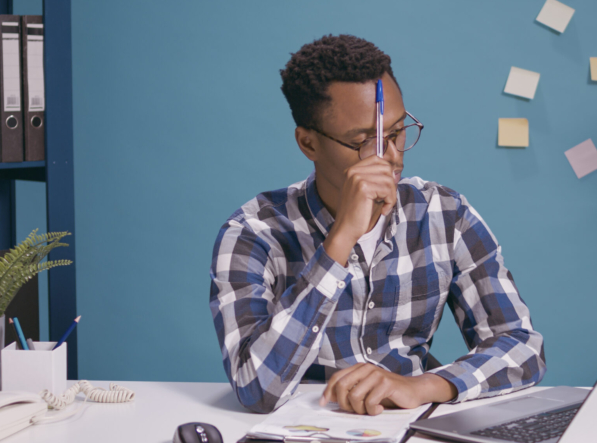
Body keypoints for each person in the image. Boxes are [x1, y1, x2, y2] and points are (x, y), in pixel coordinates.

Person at [209, 34, 546, 415]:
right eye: (364, 141)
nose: (390, 157)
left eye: (398, 132)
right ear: (308, 144)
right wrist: (339, 242)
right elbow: (255, 388)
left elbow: (522, 347)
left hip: (410, 434)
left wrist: (423, 386)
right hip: (300, 438)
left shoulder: (445, 214)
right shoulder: (253, 233)